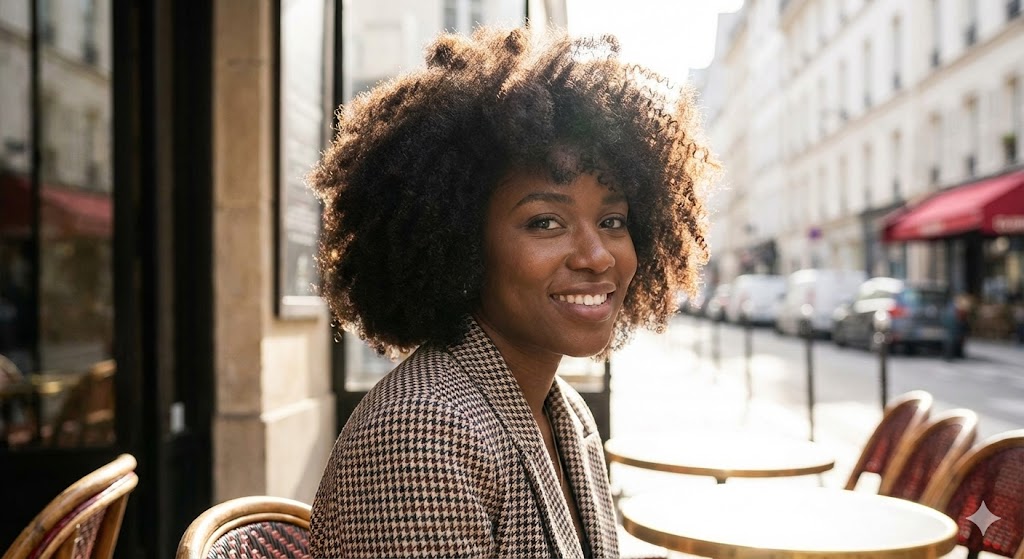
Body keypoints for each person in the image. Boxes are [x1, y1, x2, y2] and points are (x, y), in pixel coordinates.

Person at [307, 26, 716, 558]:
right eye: (545, 222)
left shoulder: (564, 412)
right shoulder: (423, 433)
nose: (597, 256)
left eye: (613, 220)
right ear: (457, 241)